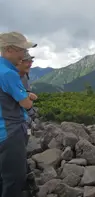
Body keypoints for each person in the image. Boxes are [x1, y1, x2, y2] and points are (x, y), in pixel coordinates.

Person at [0, 31, 38, 197]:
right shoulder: (9, 74)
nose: (24, 54)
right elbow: (26, 103)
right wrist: (27, 98)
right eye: (22, 49)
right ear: (9, 50)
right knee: (14, 178)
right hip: (11, 132)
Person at [16, 50, 39, 196]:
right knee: (19, 155)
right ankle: (28, 185)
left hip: (20, 122)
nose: (30, 63)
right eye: (27, 60)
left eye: (31, 60)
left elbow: (25, 99)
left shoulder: (20, 75)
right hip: (20, 122)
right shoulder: (17, 75)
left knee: (19, 155)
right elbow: (26, 101)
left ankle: (28, 185)